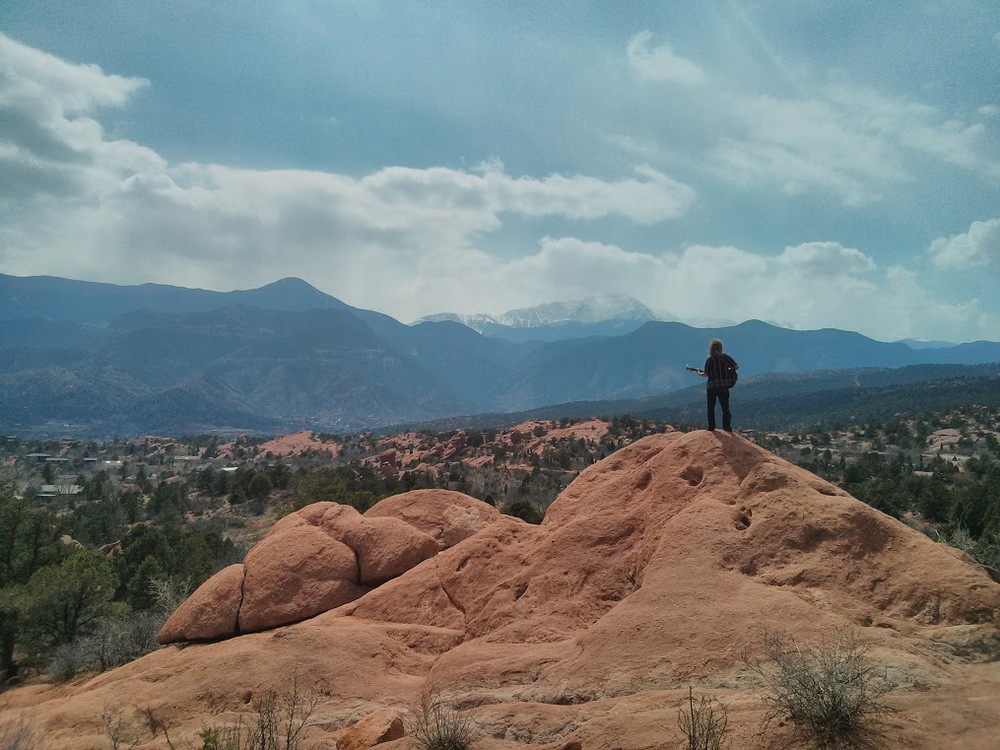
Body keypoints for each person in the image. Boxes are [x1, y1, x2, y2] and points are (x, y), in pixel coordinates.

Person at [690, 339, 738, 432]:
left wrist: (698, 373)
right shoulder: (725, 357)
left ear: (711, 348)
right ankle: (727, 427)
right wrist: (728, 369)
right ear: (721, 348)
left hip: (712, 387)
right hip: (724, 386)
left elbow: (706, 374)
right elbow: (736, 367)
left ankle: (711, 427)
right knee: (725, 407)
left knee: (711, 407)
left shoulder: (710, 359)